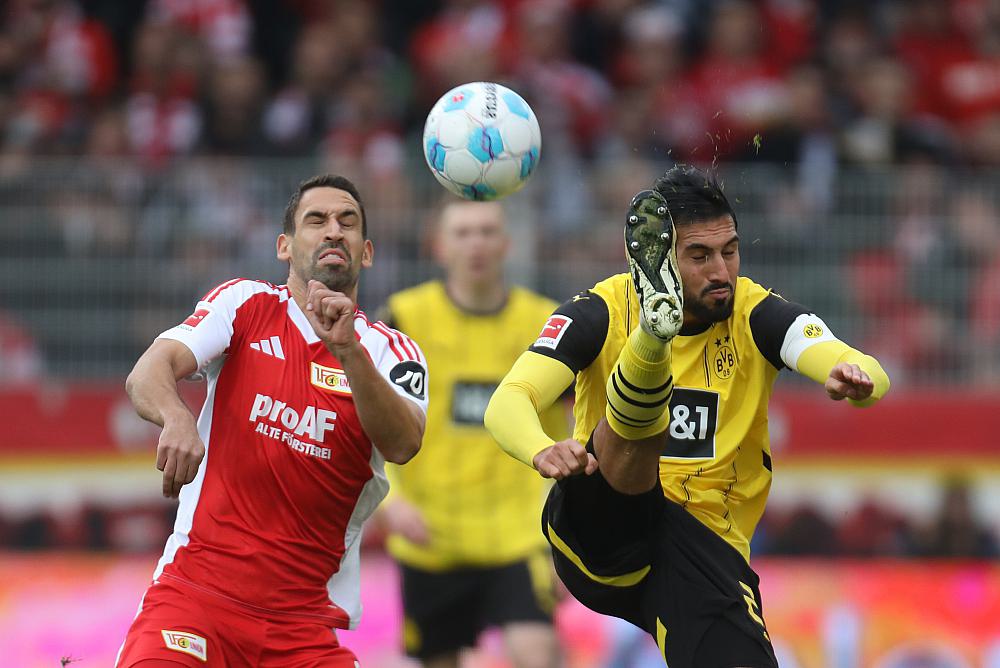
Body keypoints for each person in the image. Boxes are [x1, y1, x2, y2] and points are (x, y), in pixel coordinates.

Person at [485, 164, 891, 666]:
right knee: (633, 439)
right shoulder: (599, 310)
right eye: (698, 256)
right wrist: (541, 448)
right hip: (603, 525)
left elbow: (855, 363)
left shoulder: (756, 312)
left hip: (703, 552)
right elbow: (509, 401)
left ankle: (652, 341)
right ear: (658, 258)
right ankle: (655, 336)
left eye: (730, 251)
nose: (721, 272)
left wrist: (855, 377)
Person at [116, 174, 428, 667]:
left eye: (347, 222)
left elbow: (404, 442)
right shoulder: (245, 304)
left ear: (365, 252)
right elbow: (149, 371)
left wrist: (347, 351)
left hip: (301, 629)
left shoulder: (391, 351)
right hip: (196, 599)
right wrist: (176, 417)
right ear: (285, 246)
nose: (333, 231)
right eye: (316, 220)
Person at [378, 199, 565, 668]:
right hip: (431, 537)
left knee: (537, 654)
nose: (476, 243)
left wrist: (571, 539)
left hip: (519, 535)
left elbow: (576, 429)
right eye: (463, 233)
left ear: (506, 244)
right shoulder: (404, 319)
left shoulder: (546, 322)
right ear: (439, 247)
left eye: (486, 231)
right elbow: (363, 423)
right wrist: (388, 501)